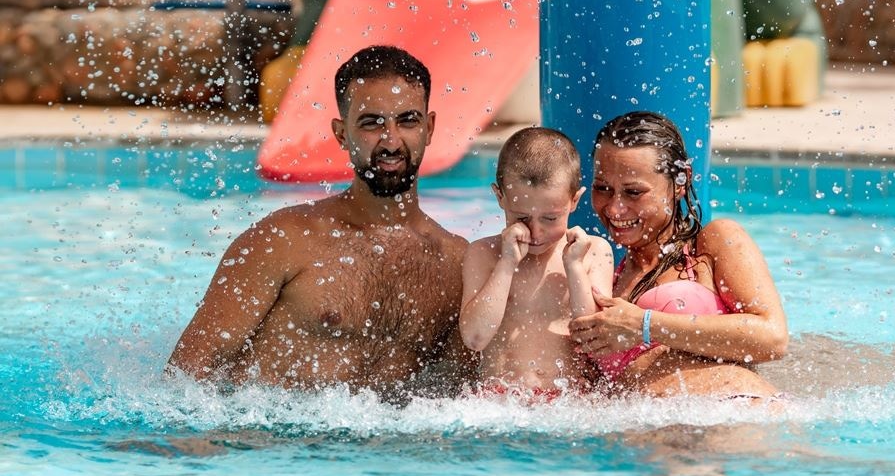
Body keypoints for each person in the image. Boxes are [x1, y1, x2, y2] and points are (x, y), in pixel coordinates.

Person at [167, 45, 469, 398]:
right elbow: (186, 376)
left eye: (407, 121)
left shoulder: (456, 264)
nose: (390, 140)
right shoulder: (283, 240)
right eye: (371, 123)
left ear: (429, 128)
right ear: (341, 133)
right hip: (270, 446)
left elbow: (455, 397)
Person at [569, 111, 788, 398]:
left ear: (681, 182)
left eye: (634, 192)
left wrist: (644, 325)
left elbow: (772, 339)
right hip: (648, 436)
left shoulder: (712, 245)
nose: (614, 208)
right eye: (603, 189)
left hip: (738, 420)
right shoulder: (606, 277)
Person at [460, 127, 615, 398]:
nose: (535, 232)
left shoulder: (594, 252)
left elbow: (593, 339)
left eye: (550, 218)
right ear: (499, 197)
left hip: (569, 402)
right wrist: (506, 264)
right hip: (499, 400)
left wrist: (575, 268)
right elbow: (475, 338)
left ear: (574, 200)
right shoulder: (484, 254)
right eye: (521, 218)